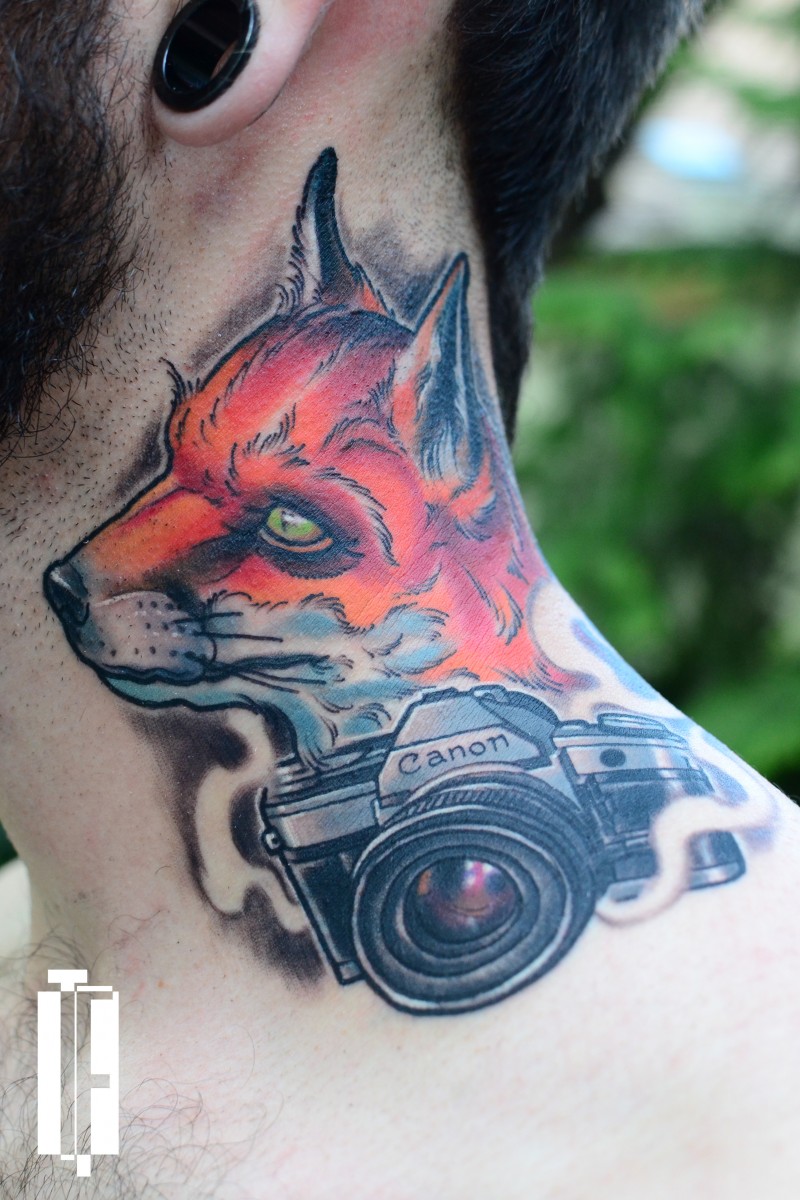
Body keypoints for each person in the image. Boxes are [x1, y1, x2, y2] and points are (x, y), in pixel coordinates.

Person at [1, 1, 798, 1196]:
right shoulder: (61, 971)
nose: (115, 562)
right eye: (179, 466)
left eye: (286, 524)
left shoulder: (753, 1135)